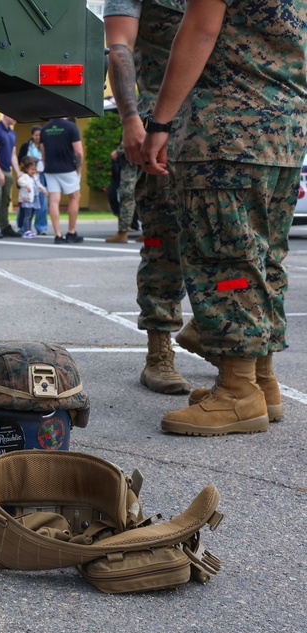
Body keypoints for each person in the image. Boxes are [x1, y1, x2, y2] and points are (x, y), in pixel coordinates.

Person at [140, 0, 307, 435]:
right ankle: (262, 382)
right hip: (284, 134)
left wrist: (160, 122)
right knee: (262, 260)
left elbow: (200, 30)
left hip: (227, 131)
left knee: (227, 263)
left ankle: (237, 393)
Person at [104, 0, 192, 395]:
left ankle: (215, 333)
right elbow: (118, 43)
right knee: (163, 239)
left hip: (218, 119)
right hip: (159, 121)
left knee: (229, 241)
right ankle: (159, 353)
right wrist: (129, 117)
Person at [39, 117, 84, 244]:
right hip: (68, 168)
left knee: (54, 201)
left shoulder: (45, 128)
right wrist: (78, 169)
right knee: (75, 197)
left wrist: (46, 164)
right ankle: (71, 232)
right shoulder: (71, 127)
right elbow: (78, 152)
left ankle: (57, 235)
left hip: (50, 168)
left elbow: (43, 152)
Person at [0, 114, 21, 239]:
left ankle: (5, 227)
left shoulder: (12, 133)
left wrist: (18, 172)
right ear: (6, 115)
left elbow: (13, 155)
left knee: (6, 200)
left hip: (7, 170)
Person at [105, 143, 140, 243]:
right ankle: (147, 233)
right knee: (144, 196)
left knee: (127, 197)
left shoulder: (136, 127)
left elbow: (135, 139)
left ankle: (122, 232)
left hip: (131, 167)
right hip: (144, 165)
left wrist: (119, 150)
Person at [18, 125, 49, 235]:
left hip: (41, 175)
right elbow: (20, 160)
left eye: (40, 135)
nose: (38, 137)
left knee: (42, 203)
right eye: (36, 135)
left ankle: (41, 228)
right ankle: (22, 227)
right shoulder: (27, 146)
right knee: (26, 203)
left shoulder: (46, 146)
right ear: (32, 135)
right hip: (28, 177)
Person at [15, 156, 41, 238]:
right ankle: (25, 230)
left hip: (33, 199)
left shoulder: (34, 177)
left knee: (30, 215)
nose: (33, 171)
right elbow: (20, 181)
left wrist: (43, 190)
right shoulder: (23, 176)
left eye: (34, 169)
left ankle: (28, 229)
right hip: (26, 199)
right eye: (31, 169)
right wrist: (26, 186)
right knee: (26, 215)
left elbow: (38, 185)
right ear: (26, 168)